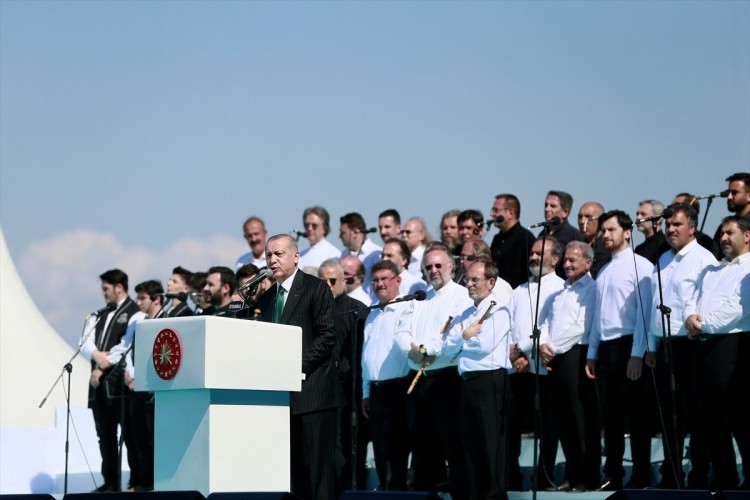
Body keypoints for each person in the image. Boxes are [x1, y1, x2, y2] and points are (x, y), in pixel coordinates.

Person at [260, 234, 342, 499]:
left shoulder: (315, 288)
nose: (272, 260)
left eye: (278, 254)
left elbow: (327, 337)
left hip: (313, 397)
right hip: (280, 401)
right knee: (291, 477)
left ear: (296, 256)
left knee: (318, 476)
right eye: (268, 255)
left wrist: (292, 366)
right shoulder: (267, 297)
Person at [642, 203, 717, 489]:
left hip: (691, 345)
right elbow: (652, 307)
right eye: (669, 225)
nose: (671, 230)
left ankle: (699, 473)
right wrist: (650, 344)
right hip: (664, 345)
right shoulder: (663, 260)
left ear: (692, 228)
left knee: (695, 413)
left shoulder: (703, 258)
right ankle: (671, 474)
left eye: (678, 225)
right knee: (670, 415)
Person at [394, 242, 473, 498]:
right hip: (419, 377)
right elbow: (401, 331)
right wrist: (413, 350)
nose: (434, 270)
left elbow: (455, 336)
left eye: (439, 265)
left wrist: (427, 349)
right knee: (421, 445)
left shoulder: (461, 296)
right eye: (429, 266)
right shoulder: (420, 297)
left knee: (452, 444)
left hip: (446, 378)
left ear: (450, 266)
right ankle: (426, 493)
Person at [585, 210, 653, 490]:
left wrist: (637, 353)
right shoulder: (603, 270)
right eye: (603, 231)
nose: (605, 235)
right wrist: (592, 352)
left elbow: (644, 315)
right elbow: (598, 317)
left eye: (611, 229)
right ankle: (613, 472)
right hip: (606, 349)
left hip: (629, 345)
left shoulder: (641, 266)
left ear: (627, 232)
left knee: (636, 416)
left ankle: (641, 473)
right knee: (610, 417)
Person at [686, 215, 750, 490]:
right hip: (705, 346)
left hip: (733, 345)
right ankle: (725, 477)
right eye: (721, 233)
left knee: (740, 417)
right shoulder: (713, 270)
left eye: (729, 232)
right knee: (711, 419)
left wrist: (703, 323)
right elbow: (694, 299)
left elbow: (739, 308)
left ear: (747, 236)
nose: (723, 238)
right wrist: (690, 318)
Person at [443, 259, 513, 500]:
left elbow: (484, 345)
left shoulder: (498, 309)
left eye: (475, 279)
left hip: (489, 380)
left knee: (489, 444)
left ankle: (494, 496)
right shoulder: (466, 313)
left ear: (491, 282)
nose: (469, 284)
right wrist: (464, 335)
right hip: (468, 381)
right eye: (467, 279)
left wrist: (461, 339)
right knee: (470, 444)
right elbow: (447, 346)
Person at [539, 242, 600, 491]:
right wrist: (543, 344)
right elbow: (546, 322)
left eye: (573, 260)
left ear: (588, 263)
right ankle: (573, 474)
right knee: (564, 419)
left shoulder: (591, 289)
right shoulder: (561, 290)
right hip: (557, 357)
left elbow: (580, 327)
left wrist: (551, 347)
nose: (567, 264)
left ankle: (588, 476)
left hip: (576, 355)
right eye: (565, 260)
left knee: (580, 420)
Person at [507, 237, 565, 491]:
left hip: (545, 369)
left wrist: (527, 349)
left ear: (555, 260)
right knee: (511, 427)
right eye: (531, 253)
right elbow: (508, 327)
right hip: (518, 368)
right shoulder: (517, 291)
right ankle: (511, 476)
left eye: (540, 254)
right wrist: (515, 355)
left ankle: (544, 477)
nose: (533, 258)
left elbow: (553, 329)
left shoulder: (561, 288)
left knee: (547, 428)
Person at [80, 269, 144, 492]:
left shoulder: (134, 313)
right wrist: (96, 356)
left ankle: (135, 481)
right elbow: (85, 342)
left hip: (120, 387)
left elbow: (124, 346)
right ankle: (110, 482)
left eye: (106, 289)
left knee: (130, 436)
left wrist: (101, 365)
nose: (104, 294)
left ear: (119, 287)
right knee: (104, 436)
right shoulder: (99, 314)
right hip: (99, 389)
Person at [108, 279, 165, 492]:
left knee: (151, 439)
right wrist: (129, 373)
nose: (139, 302)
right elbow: (128, 350)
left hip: (151, 389)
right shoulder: (140, 323)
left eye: (143, 298)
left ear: (156, 299)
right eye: (138, 297)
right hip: (135, 388)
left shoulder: (162, 320)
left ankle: (151, 482)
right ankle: (139, 481)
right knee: (135, 439)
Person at [317, 259, 369, 493]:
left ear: (343, 280)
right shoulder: (313, 309)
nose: (328, 285)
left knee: (344, 442)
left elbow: (358, 354)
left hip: (347, 390)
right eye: (322, 281)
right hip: (320, 389)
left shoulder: (356, 309)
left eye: (332, 280)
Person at [360, 260, 412, 491]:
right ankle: (385, 490)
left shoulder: (406, 309)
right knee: (380, 451)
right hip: (376, 391)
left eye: (385, 279)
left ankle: (397, 492)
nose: (380, 285)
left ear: (398, 281)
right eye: (376, 280)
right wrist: (365, 392)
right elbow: (366, 356)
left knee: (397, 451)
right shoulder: (372, 314)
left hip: (398, 389)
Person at [489, 193, 536, 288]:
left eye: (495, 210)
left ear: (510, 212)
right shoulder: (497, 239)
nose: (492, 214)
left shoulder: (525, 238)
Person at [539, 190, 585, 278]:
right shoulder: (542, 234)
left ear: (565, 212)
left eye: (553, 206)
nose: (547, 209)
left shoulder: (574, 236)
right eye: (546, 205)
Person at [339, 212, 382, 292]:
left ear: (355, 232)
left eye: (343, 233)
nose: (339, 237)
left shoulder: (376, 254)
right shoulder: (344, 254)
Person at [712, 172, 750, 260]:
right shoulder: (723, 227)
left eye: (734, 193)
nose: (729, 197)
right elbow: (715, 259)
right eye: (728, 192)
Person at [298, 205, 342, 270]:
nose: (309, 228)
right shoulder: (301, 255)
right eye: (306, 225)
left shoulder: (333, 254)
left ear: (325, 228)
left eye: (314, 225)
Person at [577, 201, 610, 278]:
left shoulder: (608, 249)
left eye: (588, 217)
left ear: (601, 220)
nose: (582, 221)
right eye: (580, 217)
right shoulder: (575, 246)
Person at [634, 199, 670, 264]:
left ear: (658, 219)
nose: (638, 217)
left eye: (643, 214)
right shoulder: (639, 249)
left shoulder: (667, 245)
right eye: (637, 214)